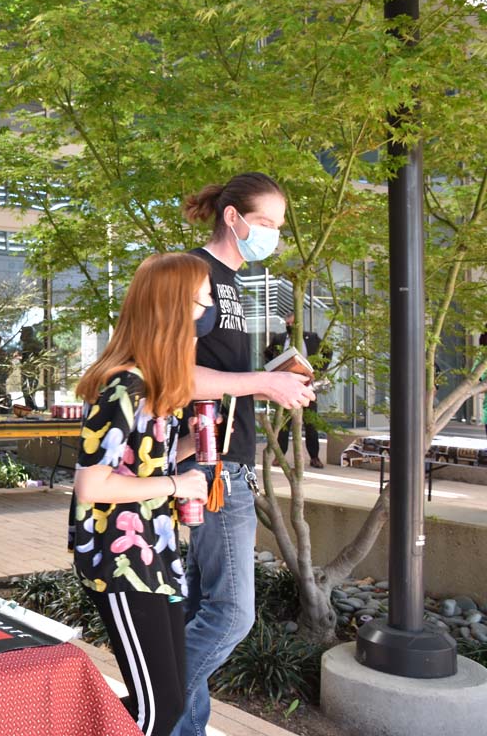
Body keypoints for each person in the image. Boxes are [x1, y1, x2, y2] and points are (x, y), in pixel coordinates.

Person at [173, 173, 315, 736]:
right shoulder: (193, 274)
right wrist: (262, 382)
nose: (273, 235)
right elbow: (173, 373)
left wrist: (277, 378)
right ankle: (151, 703)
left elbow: (222, 374)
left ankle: (179, 726)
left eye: (278, 226)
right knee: (231, 615)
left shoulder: (235, 283)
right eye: (265, 223)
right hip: (208, 464)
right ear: (231, 217)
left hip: (226, 460)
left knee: (201, 607)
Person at [72, 252, 211, 736]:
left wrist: (192, 444)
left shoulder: (152, 386)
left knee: (165, 700)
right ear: (173, 307)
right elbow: (92, 484)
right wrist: (177, 484)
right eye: (201, 301)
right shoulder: (124, 386)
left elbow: (141, 463)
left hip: (155, 554)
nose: (207, 312)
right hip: (123, 560)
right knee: (159, 709)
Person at [264, 313, 329, 468]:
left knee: (310, 423)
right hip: (285, 385)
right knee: (283, 424)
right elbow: (267, 354)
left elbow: (328, 351)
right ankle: (280, 456)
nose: (290, 326)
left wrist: (319, 370)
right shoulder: (279, 339)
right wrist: (274, 370)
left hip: (307, 384)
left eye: (292, 323)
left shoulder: (312, 338)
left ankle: (314, 456)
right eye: (287, 324)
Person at [20, 325, 43, 409]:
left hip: (31, 370)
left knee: (30, 388)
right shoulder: (25, 344)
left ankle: (31, 406)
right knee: (26, 388)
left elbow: (40, 355)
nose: (21, 335)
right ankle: (29, 405)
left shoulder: (33, 344)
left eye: (23, 333)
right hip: (27, 369)